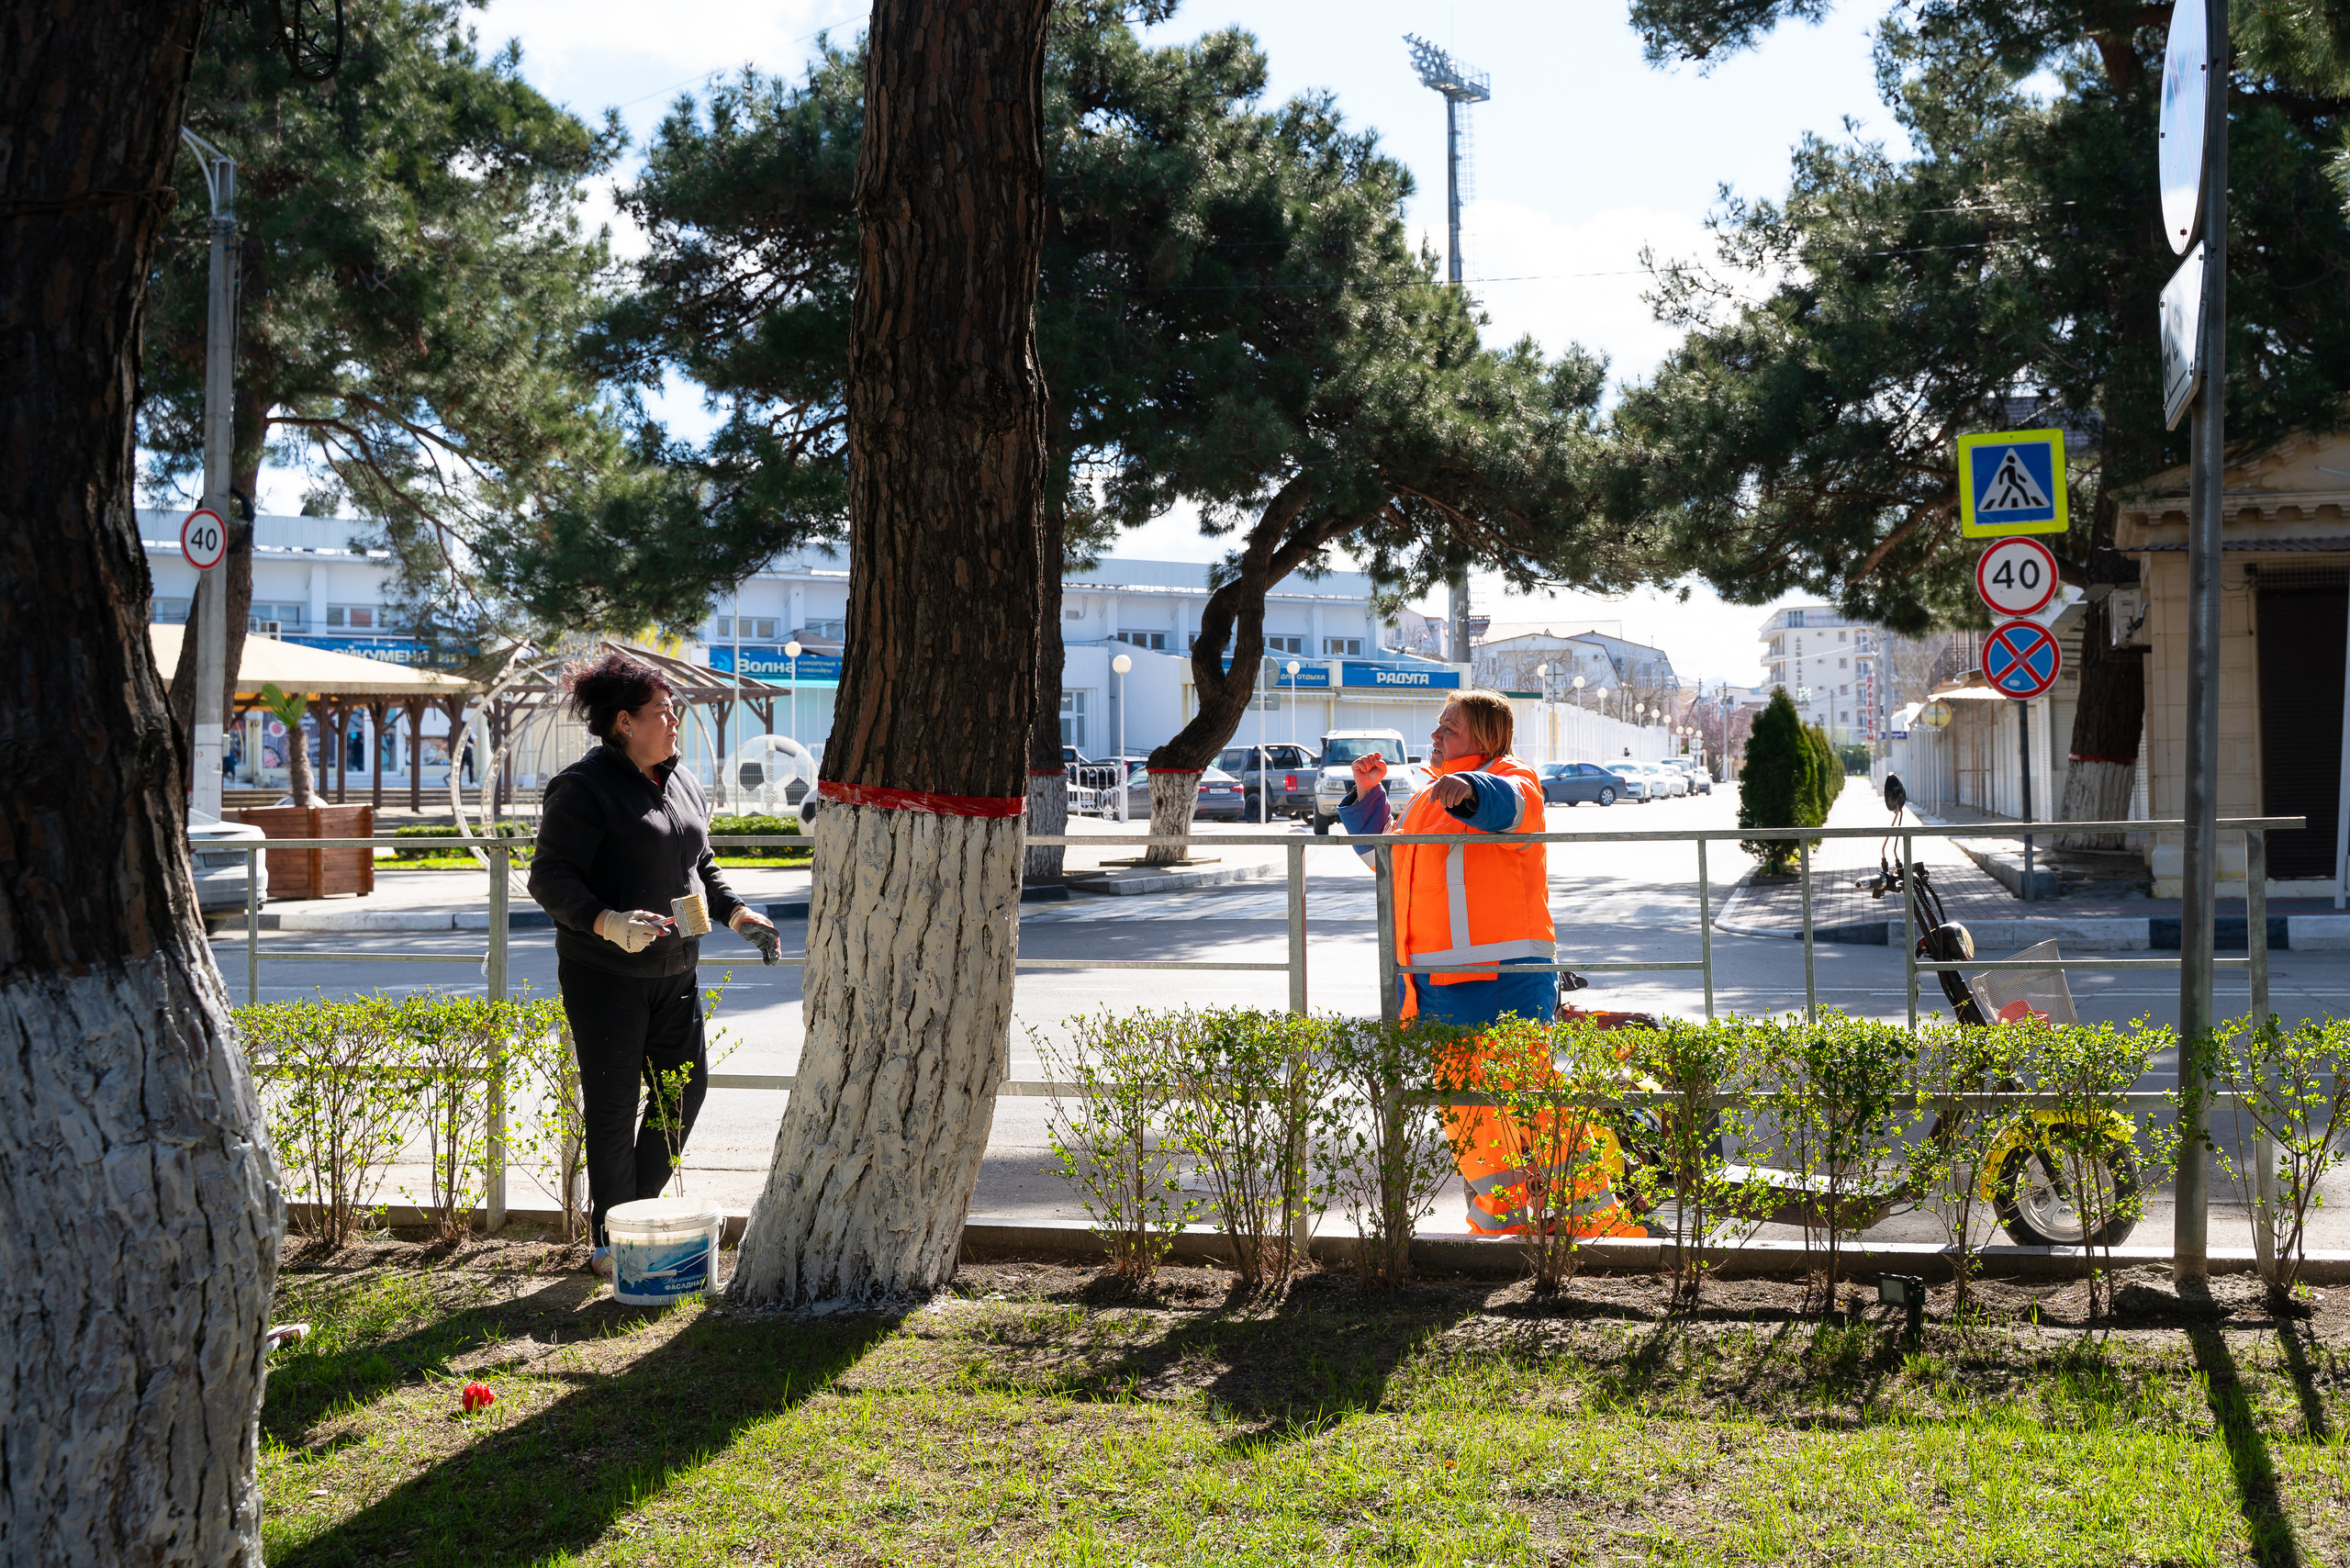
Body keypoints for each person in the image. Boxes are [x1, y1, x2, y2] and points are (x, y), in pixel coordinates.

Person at [1337, 689, 1640, 1238]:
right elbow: (1389, 861)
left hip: (1503, 980)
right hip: (1437, 983)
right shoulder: (1430, 797)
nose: (1435, 736)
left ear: (1486, 737)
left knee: (1529, 1099)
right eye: (1438, 727)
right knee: (1468, 1110)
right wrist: (1368, 796)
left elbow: (1510, 804)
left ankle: (1596, 1224)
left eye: (1448, 729)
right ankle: (1503, 1223)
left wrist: (1471, 788)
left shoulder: (1510, 776)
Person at [528, 653, 780, 1279]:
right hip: (604, 977)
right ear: (623, 723)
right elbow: (549, 877)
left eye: (674, 711)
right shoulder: (582, 789)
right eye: (662, 713)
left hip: (676, 972)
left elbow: (701, 865)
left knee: (684, 1093)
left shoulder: (680, 779)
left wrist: (737, 914)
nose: (674, 723)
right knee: (613, 1107)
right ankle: (613, 1247)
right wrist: (609, 923)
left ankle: (631, 1218)